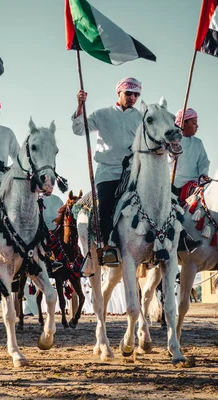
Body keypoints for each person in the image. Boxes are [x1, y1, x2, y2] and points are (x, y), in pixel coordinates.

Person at [72, 78, 199, 266]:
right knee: (106, 203)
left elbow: (157, 136)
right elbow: (78, 129)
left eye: (136, 94)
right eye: (128, 93)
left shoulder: (142, 117)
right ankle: (109, 248)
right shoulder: (102, 114)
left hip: (136, 169)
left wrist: (170, 143)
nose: (132, 97)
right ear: (119, 93)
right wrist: (80, 106)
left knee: (169, 194)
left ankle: (179, 238)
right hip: (109, 172)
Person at [169, 108, 210, 203]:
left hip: (192, 185)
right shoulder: (172, 140)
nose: (197, 126)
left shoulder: (198, 143)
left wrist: (203, 176)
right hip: (172, 183)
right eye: (194, 123)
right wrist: (172, 153)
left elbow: (203, 163)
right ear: (183, 123)